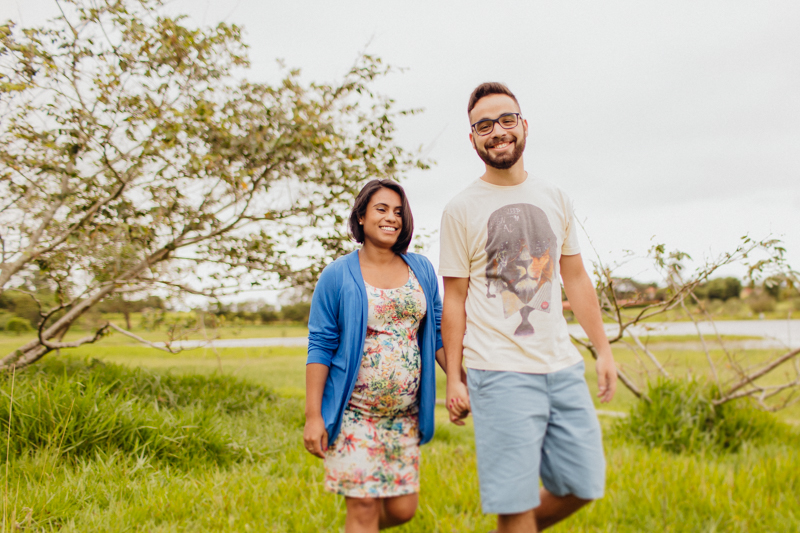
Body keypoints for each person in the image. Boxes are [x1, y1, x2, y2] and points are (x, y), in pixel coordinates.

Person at [439, 82, 618, 533]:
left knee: (583, 483)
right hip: (497, 371)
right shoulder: (461, 208)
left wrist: (604, 350)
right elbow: (454, 299)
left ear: (522, 125)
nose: (496, 132)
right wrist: (455, 378)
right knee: (514, 506)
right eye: (483, 125)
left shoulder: (555, 197)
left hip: (561, 366)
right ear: (473, 138)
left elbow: (574, 277)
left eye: (505, 120)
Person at [304, 179, 452, 533]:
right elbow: (320, 345)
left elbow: (436, 333)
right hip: (353, 413)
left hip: (403, 417)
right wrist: (313, 416)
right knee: (364, 508)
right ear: (362, 216)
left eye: (398, 211)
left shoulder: (421, 269)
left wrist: (461, 380)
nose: (392, 218)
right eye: (381, 209)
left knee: (403, 510)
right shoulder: (337, 274)